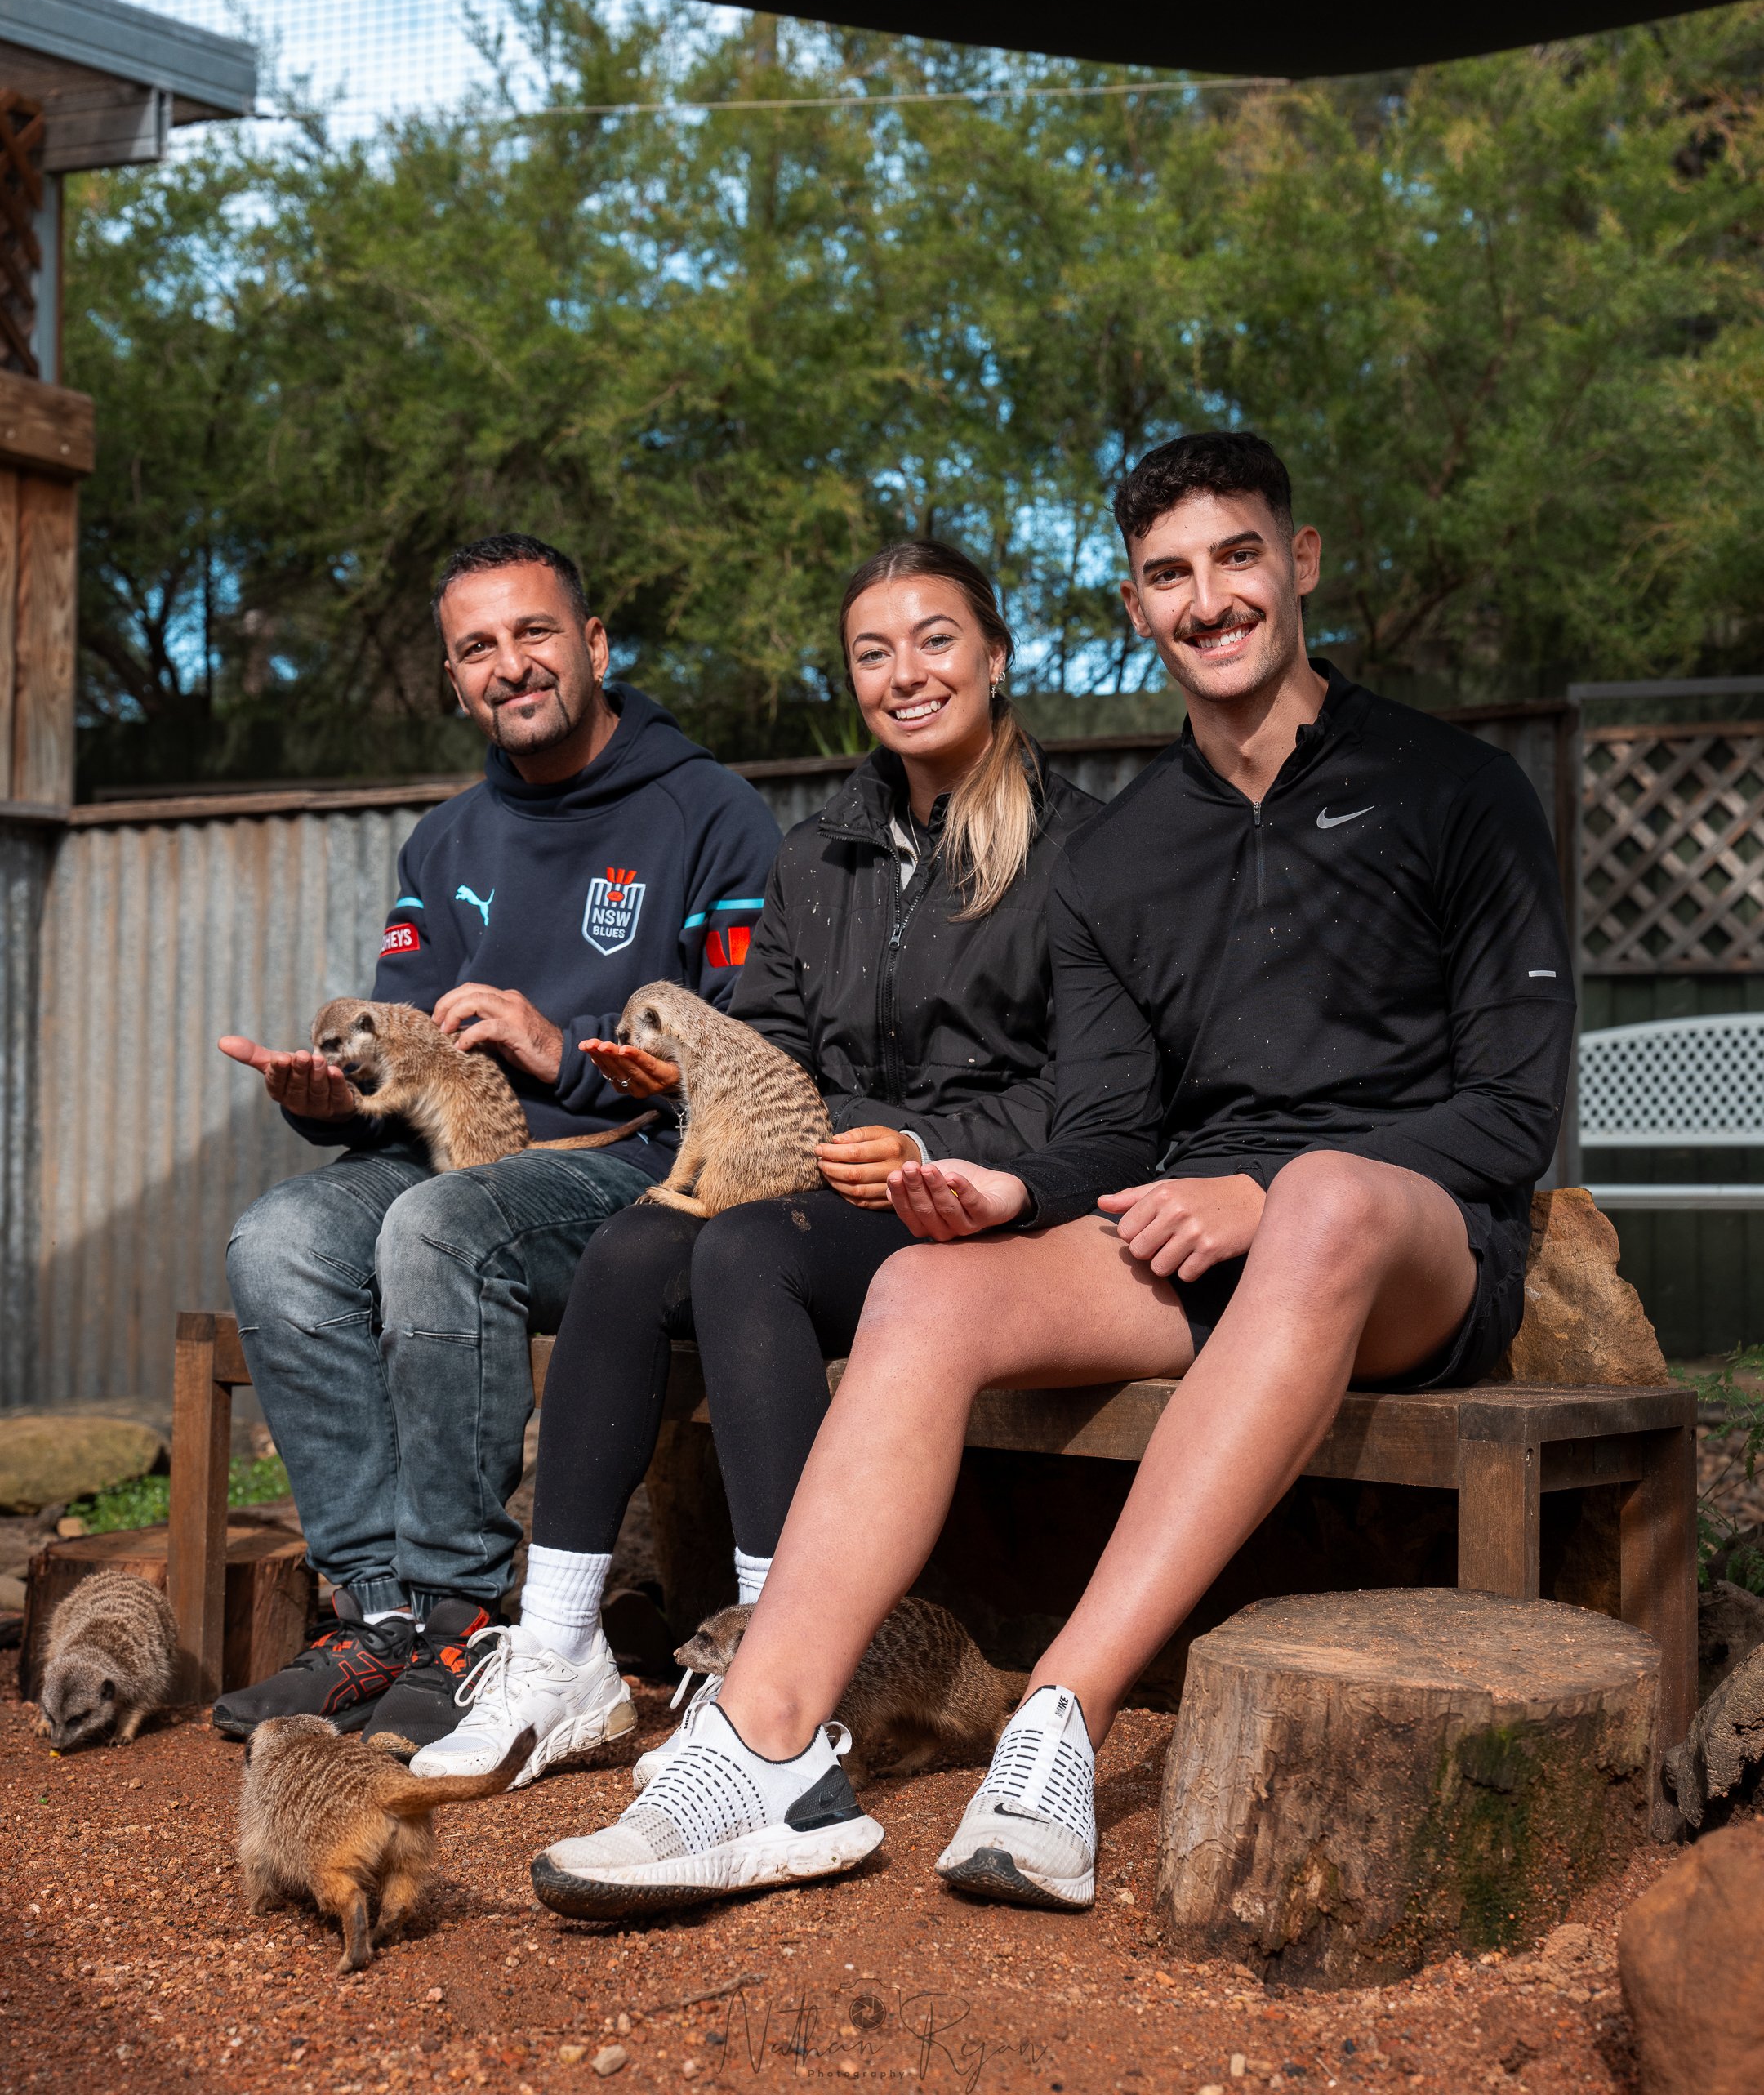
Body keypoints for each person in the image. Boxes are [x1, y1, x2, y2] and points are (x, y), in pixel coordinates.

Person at [525, 431, 1578, 1920]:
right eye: (1168, 575)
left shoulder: (1454, 787)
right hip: (1189, 1239)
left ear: (1302, 562)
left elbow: (1512, 1112)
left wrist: (1270, 1196)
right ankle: (767, 1752)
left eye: (1236, 558)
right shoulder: (1123, 851)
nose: (1208, 599)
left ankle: (1059, 1724)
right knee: (922, 1293)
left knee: (1329, 1196)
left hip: (1407, 1247)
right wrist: (1009, 1195)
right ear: (1136, 606)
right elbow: (1102, 1128)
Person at [406, 537, 1101, 1789]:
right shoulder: (816, 853)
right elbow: (771, 1049)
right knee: (630, 1248)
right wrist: (688, 1083)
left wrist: (938, 1145)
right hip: (822, 1173)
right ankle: (560, 1654)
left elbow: (1101, 1088)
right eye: (872, 653)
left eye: (935, 641)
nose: (906, 675)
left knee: (737, 1252)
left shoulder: (1084, 851)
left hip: (979, 1193)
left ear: (997, 657)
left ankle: (781, 1675)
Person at [212, 532, 781, 1746]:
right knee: (277, 1239)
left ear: (594, 645)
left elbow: (754, 1066)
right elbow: (402, 1058)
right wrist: (335, 1095)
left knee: (436, 1228)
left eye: (532, 634)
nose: (509, 665)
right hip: (446, 1161)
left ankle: (462, 1613)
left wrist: (564, 1046)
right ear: (455, 678)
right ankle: (377, 1617)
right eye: (478, 648)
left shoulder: (713, 816)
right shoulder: (447, 841)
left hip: (636, 1178)